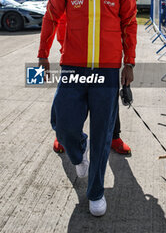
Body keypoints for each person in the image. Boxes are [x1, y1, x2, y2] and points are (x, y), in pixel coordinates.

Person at [37, 0, 137, 217]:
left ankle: (95, 192)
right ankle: (77, 152)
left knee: (103, 134)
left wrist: (129, 62)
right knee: (64, 126)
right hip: (74, 68)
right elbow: (51, 15)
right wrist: (43, 53)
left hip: (107, 71)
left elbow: (129, 22)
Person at [53, 13, 132, 155]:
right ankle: (62, 136)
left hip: (106, 58)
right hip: (75, 58)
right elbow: (62, 20)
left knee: (109, 100)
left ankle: (114, 137)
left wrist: (127, 60)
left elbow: (125, 23)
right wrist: (66, 47)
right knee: (66, 101)